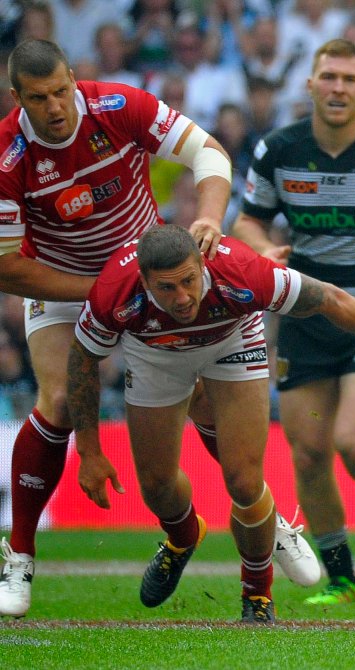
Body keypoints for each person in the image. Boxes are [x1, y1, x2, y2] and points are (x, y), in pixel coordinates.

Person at [66, 225, 355, 622]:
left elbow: (331, 298)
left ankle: (257, 595)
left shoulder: (241, 270)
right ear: (143, 281)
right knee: (156, 487)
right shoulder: (115, 290)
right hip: (155, 354)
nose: (183, 297)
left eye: (189, 281)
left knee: (244, 482)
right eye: (167, 288)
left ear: (202, 264)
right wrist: (89, 451)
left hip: (232, 341)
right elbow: (81, 360)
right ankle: (183, 537)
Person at [0, 38, 230, 618]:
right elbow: (6, 268)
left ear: (74, 79)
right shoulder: (6, 156)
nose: (54, 107)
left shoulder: (120, 105)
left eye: (61, 91)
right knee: (58, 401)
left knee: (206, 399)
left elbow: (209, 154)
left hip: (145, 275)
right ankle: (19, 556)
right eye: (38, 98)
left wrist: (207, 216)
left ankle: (262, 517)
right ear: (17, 98)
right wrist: (101, 290)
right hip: (63, 283)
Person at [231, 38, 355, 606]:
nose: (338, 88)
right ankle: (341, 579)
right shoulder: (278, 149)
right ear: (311, 85)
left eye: (349, 79)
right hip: (305, 308)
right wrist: (263, 248)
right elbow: (248, 219)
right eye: (329, 77)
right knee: (308, 453)